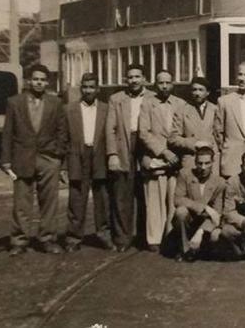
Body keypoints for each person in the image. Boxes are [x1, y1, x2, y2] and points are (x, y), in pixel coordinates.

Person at [0, 64, 66, 256]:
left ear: (47, 82)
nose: (39, 83)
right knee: (21, 202)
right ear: (28, 81)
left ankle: (48, 239)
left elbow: (62, 131)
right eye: (35, 79)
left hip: (48, 159)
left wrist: (57, 155)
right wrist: (6, 160)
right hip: (22, 158)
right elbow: (7, 132)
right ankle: (19, 241)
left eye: (43, 80)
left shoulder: (55, 103)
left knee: (49, 202)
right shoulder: (14, 102)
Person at [63, 72, 113, 252]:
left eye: (92, 87)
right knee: (76, 198)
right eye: (85, 87)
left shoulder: (107, 109)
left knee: (103, 199)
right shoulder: (69, 109)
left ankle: (104, 234)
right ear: (80, 88)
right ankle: (73, 237)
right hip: (78, 155)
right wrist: (64, 166)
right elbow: (63, 139)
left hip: (99, 156)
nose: (88, 91)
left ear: (98, 89)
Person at [106, 64, 154, 252]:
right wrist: (112, 154)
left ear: (144, 78)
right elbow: (110, 129)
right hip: (123, 145)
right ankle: (122, 238)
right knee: (122, 195)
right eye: (130, 77)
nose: (134, 80)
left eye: (137, 76)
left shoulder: (153, 97)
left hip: (146, 146)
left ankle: (144, 237)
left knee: (145, 194)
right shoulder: (116, 99)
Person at [138, 69, 186, 252]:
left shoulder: (181, 104)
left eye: (168, 82)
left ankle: (171, 238)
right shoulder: (147, 104)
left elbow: (183, 130)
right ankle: (154, 239)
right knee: (154, 201)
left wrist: (176, 153)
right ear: (155, 84)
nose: (164, 86)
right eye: (161, 82)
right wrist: (163, 151)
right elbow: (144, 133)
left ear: (173, 84)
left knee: (174, 200)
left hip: (176, 159)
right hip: (156, 157)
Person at [173, 144, 226, 262]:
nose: (203, 167)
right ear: (195, 162)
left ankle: (203, 248)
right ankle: (185, 250)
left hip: (207, 222)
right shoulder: (184, 174)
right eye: (199, 163)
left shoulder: (220, 182)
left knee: (215, 237)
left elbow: (217, 213)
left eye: (207, 163)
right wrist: (205, 207)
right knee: (180, 212)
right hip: (190, 219)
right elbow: (177, 199)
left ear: (213, 162)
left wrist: (200, 232)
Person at [170, 76, 218, 171]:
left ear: (207, 92)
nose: (197, 93)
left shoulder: (215, 109)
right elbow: (173, 138)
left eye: (201, 90)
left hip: (212, 159)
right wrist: (194, 143)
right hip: (191, 160)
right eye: (194, 90)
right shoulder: (182, 110)